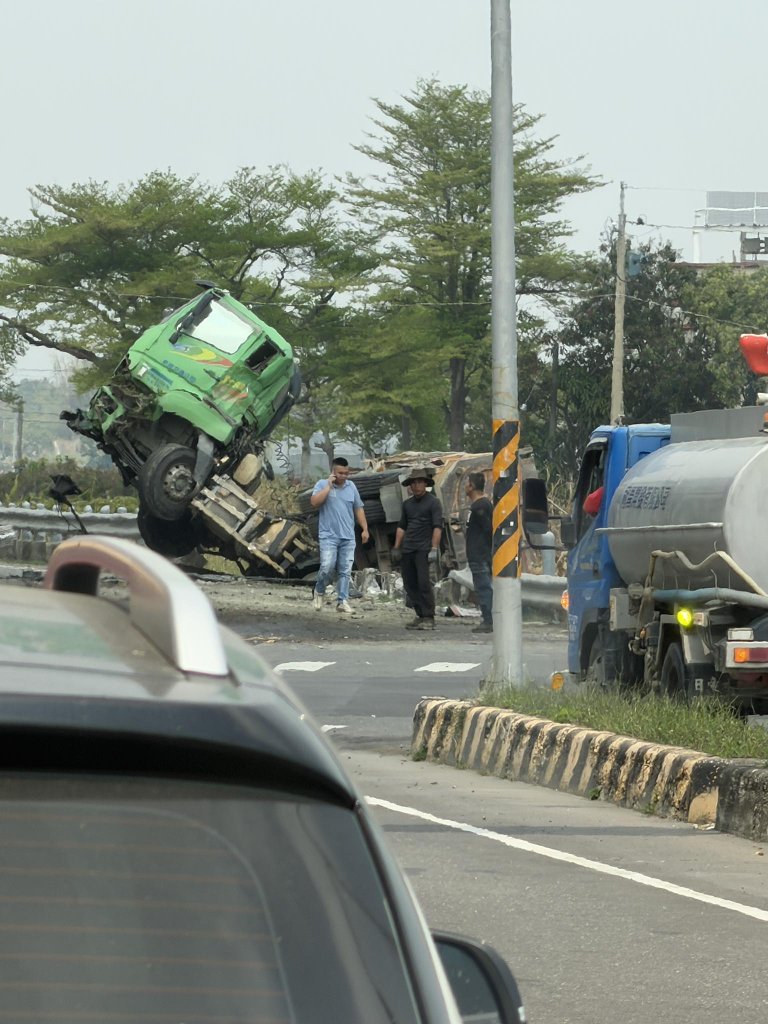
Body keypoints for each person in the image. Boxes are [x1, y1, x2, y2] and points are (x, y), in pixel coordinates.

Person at [310, 457, 369, 615]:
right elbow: (314, 502)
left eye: (346, 473)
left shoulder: (351, 487)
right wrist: (328, 487)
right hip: (328, 536)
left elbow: (358, 508)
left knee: (345, 570)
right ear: (333, 473)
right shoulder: (322, 485)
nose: (344, 476)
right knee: (327, 566)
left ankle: (342, 601)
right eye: (340, 473)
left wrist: (365, 529)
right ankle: (319, 590)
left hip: (348, 537)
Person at [392, 469, 443, 630]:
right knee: (409, 583)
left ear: (426, 484)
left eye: (419, 482)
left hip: (424, 548)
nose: (416, 485)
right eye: (413, 482)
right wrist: (396, 547)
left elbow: (437, 527)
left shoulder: (433, 502)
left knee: (423, 582)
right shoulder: (407, 504)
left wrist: (434, 548)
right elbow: (402, 527)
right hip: (408, 548)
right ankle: (420, 615)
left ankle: (429, 617)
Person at [464, 471, 493, 634]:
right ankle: (488, 618)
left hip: (480, 554)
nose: (465, 487)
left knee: (483, 587)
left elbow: (488, 530)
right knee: (482, 586)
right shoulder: (479, 505)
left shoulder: (480, 506)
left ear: (472, 486)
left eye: (467, 483)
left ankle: (489, 620)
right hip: (479, 554)